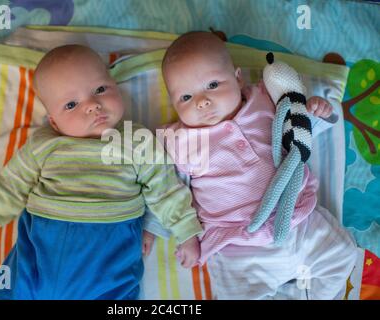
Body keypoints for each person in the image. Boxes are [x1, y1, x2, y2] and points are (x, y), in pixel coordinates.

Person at [0, 44, 202, 300]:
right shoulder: (45, 144)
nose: (93, 105)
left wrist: (186, 231)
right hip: (46, 239)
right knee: (17, 286)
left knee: (114, 293)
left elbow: (165, 188)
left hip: (110, 241)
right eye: (72, 104)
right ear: (54, 121)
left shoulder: (136, 140)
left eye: (100, 90)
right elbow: (11, 184)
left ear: (115, 86)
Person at [145, 31, 357, 299]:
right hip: (238, 246)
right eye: (185, 98)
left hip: (297, 220)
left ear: (238, 77)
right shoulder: (180, 141)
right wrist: (162, 229)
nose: (202, 102)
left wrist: (313, 112)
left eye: (212, 85)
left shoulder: (265, 101)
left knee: (342, 255)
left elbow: (298, 136)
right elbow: (163, 187)